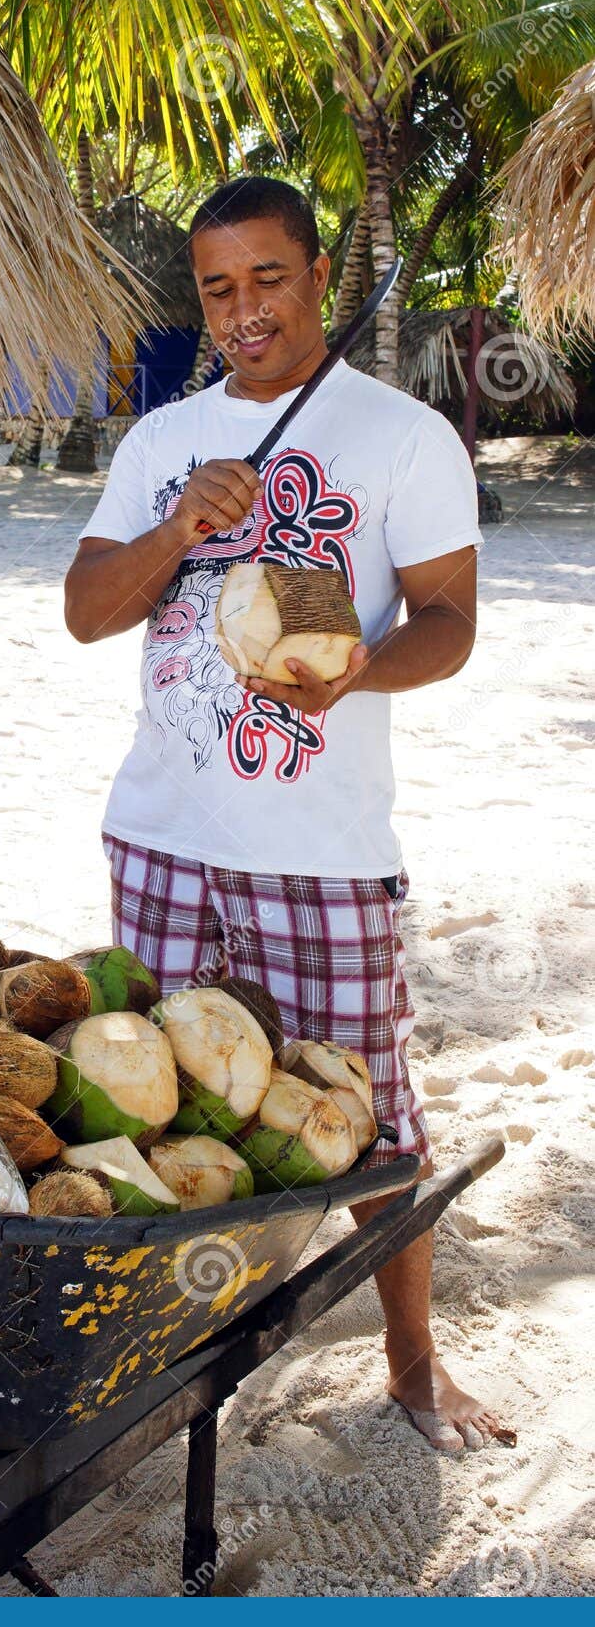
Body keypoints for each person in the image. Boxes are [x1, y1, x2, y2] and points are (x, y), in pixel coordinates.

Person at [66, 176, 502, 1453]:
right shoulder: (162, 441)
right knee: (148, 1100)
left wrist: (360, 663)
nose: (243, 309)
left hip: (318, 852)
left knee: (367, 1120)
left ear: (315, 275)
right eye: (216, 287)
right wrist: (176, 525)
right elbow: (92, 610)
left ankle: (413, 1365)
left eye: (267, 278)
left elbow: (451, 625)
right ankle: (166, 1352)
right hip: (157, 839)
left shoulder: (402, 437)